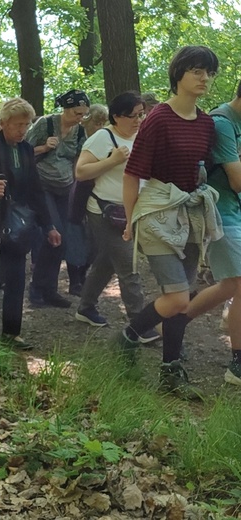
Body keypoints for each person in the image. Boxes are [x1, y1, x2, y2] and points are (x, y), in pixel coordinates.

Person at [120, 45, 222, 399]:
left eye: (208, 72)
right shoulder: (158, 119)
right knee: (178, 298)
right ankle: (129, 336)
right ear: (178, 74)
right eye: (197, 71)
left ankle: (170, 371)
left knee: (178, 297)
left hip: (190, 214)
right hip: (157, 213)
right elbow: (133, 174)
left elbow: (204, 170)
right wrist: (130, 219)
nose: (204, 78)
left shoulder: (207, 123)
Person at [0, 97, 61, 348]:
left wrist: (49, 225)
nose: (22, 130)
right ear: (3, 123)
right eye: (17, 125)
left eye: (26, 125)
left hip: (18, 225)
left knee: (16, 278)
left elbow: (36, 190)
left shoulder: (26, 148)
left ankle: (11, 333)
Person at [73, 91, 160, 343]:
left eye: (141, 115)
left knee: (106, 262)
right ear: (116, 116)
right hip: (105, 212)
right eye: (133, 116)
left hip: (132, 210)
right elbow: (81, 172)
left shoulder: (141, 136)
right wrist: (112, 160)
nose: (138, 120)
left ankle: (85, 307)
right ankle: (139, 324)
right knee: (128, 265)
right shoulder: (104, 137)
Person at [171, 78, 241, 386]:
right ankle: (237, 363)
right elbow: (236, 181)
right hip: (220, 213)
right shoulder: (222, 123)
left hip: (236, 211)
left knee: (230, 286)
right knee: (238, 284)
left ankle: (173, 325)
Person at [26, 89, 90, 306]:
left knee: (62, 241)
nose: (80, 118)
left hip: (65, 189)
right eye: (77, 113)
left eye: (83, 114)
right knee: (53, 234)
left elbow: (78, 162)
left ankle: (50, 291)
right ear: (66, 108)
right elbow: (23, 149)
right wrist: (44, 147)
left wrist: (76, 188)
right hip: (42, 186)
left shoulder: (80, 133)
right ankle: (36, 289)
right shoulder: (46, 124)